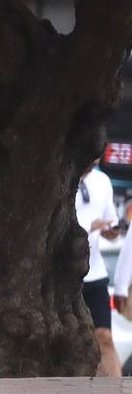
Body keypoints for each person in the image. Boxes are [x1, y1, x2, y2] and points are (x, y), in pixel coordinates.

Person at [75, 161, 122, 377]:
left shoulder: (102, 181)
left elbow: (110, 220)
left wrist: (111, 231)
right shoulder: (58, 181)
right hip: (66, 276)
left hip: (96, 273)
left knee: (104, 336)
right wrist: (89, 226)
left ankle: (118, 390)